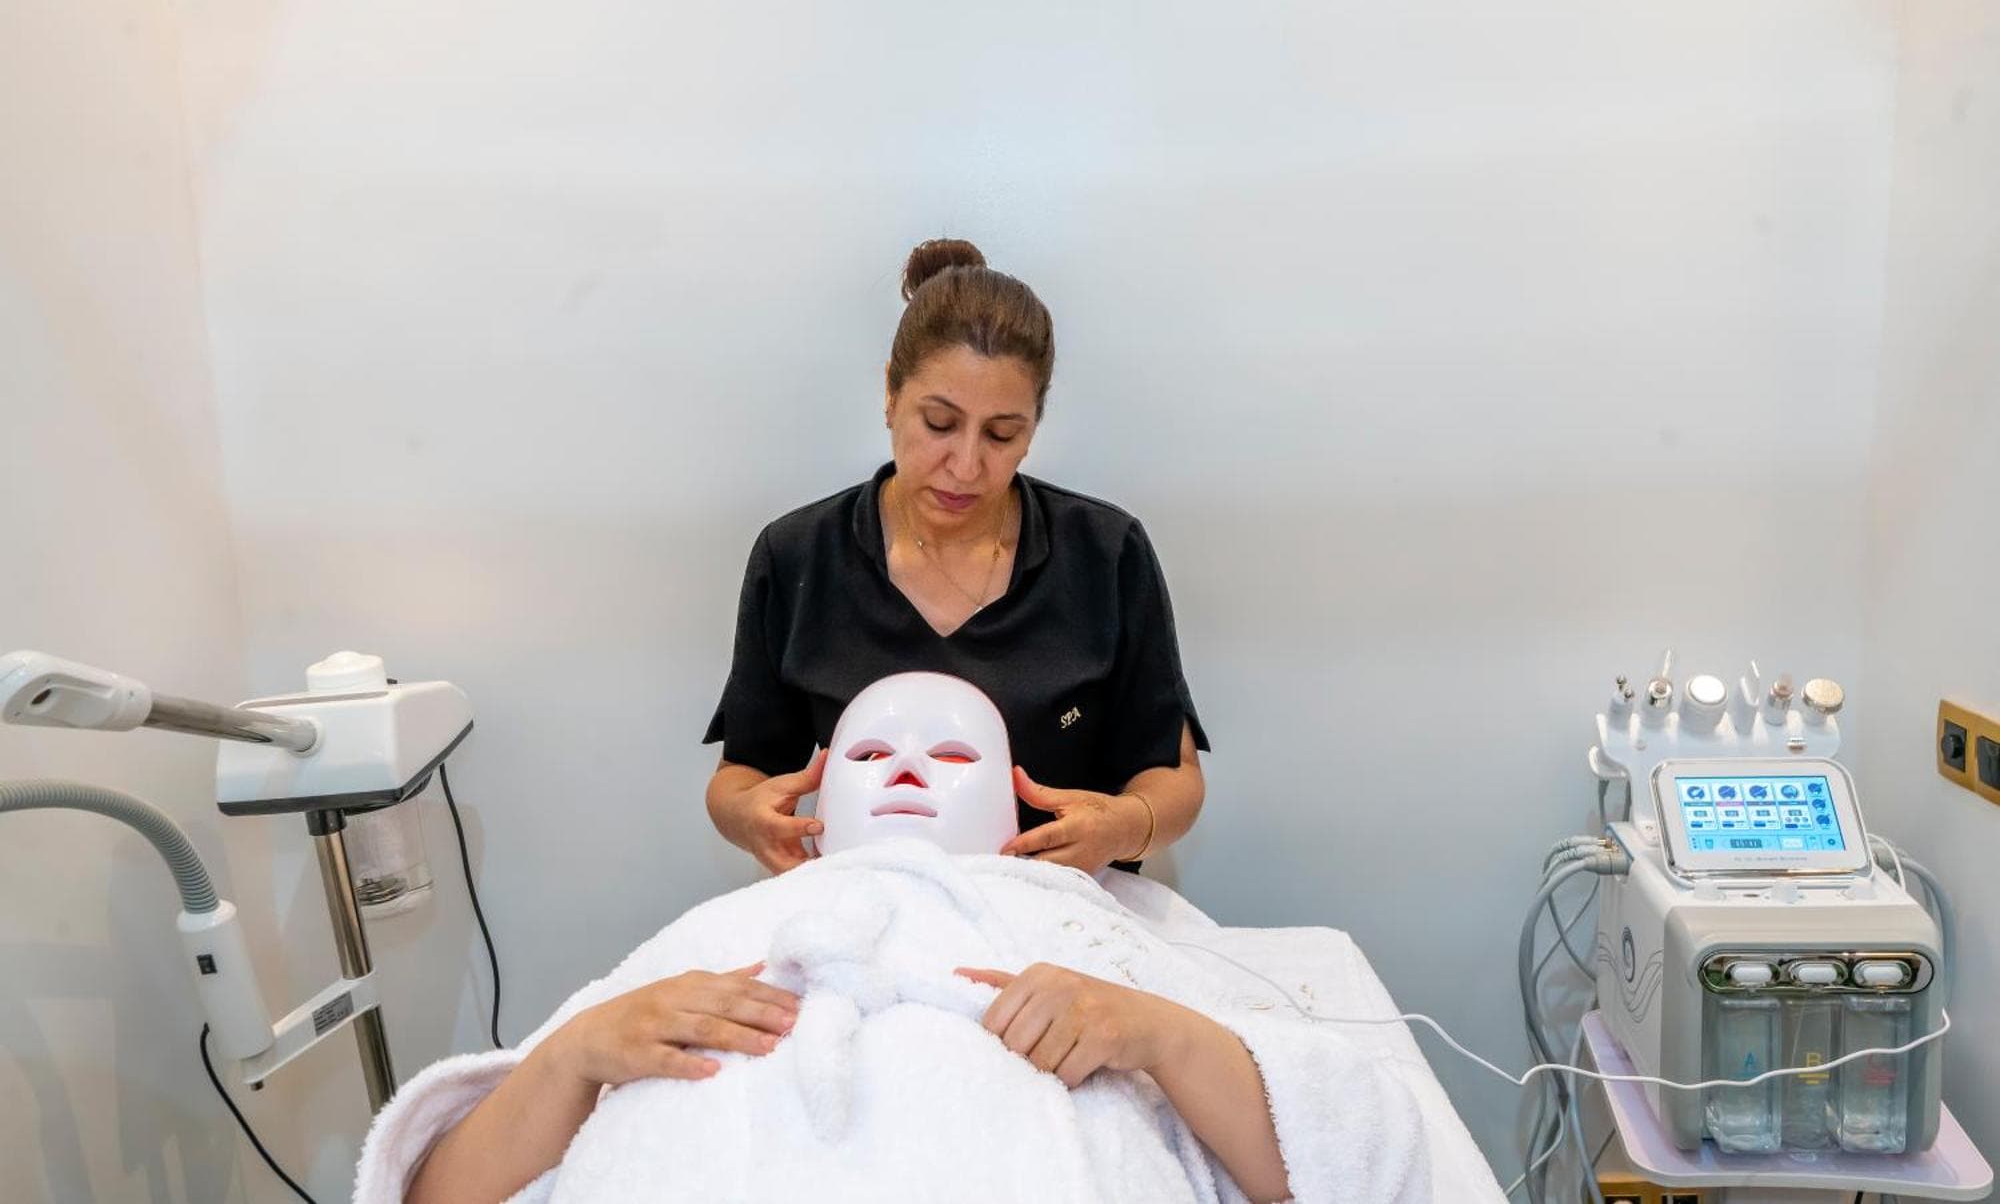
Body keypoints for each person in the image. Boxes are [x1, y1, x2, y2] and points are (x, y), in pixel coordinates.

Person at [381, 675, 1429, 1204]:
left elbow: (1351, 1161)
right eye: (872, 751)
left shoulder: (1086, 928)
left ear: (1016, 804)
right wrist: (573, 1055)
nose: (910, 770)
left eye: (953, 755)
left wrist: (1157, 1032)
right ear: (815, 802)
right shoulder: (716, 933)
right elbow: (436, 1190)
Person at [704, 238, 1209, 875]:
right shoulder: (798, 557)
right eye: (939, 424)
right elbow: (740, 774)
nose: (966, 466)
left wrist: (1127, 826)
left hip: (1061, 912)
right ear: (891, 394)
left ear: (1034, 427)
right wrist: (747, 817)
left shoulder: (1105, 555)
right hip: (868, 901)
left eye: (1002, 434)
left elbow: (1173, 775)